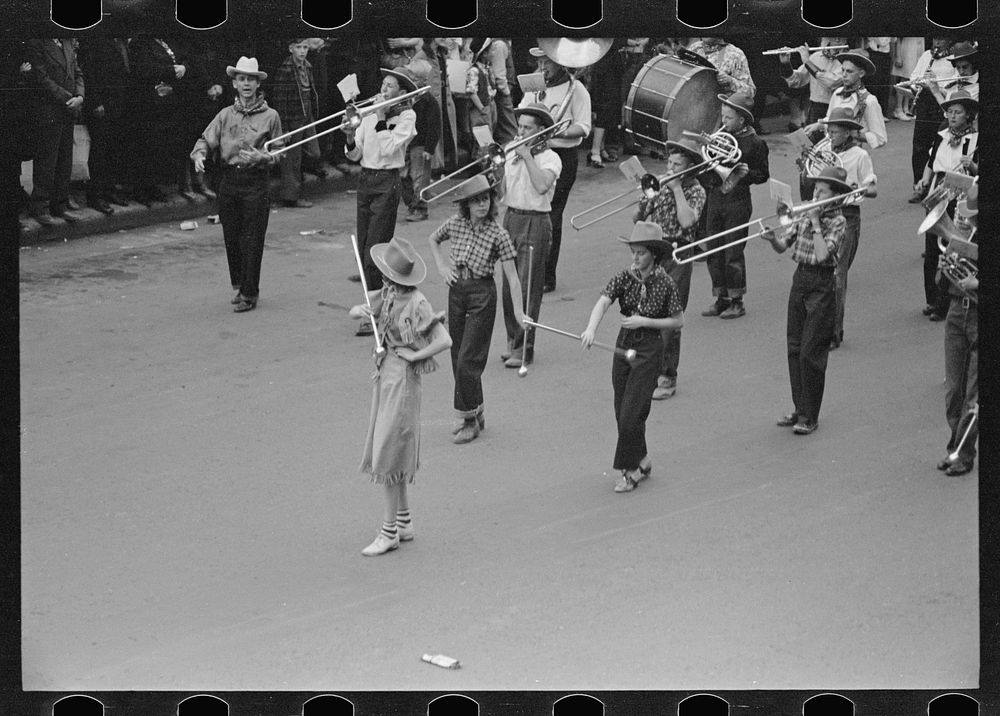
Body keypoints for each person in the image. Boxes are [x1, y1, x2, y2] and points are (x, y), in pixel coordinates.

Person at [348, 237, 453, 556]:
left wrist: (413, 357)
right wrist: (362, 310)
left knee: (388, 451)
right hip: (386, 377)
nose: (383, 279)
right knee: (392, 450)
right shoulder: (390, 293)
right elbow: (356, 310)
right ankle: (404, 521)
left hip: (403, 381)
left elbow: (444, 339)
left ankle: (389, 531)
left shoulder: (417, 301)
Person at [580, 221, 683, 493]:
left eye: (640, 253)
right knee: (622, 410)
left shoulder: (665, 282)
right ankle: (643, 458)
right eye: (633, 252)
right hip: (623, 345)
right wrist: (591, 329)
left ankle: (630, 471)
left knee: (631, 413)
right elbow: (603, 301)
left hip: (649, 349)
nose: (635, 258)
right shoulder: (626, 276)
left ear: (653, 254)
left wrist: (645, 321)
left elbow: (677, 321)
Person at [426, 174, 525, 444]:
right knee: (458, 354)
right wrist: (442, 268)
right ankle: (476, 409)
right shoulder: (456, 224)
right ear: (466, 205)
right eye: (476, 201)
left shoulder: (498, 234)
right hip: (457, 289)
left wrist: (518, 313)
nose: (482, 205)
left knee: (469, 358)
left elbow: (512, 277)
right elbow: (433, 239)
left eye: (486, 199)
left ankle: (469, 421)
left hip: (482, 293)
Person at [191, 56, 282, 313]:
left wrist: (263, 157)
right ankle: (241, 285)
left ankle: (250, 293)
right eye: (242, 79)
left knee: (252, 238)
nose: (246, 84)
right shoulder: (224, 115)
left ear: (257, 84)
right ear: (234, 83)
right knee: (232, 235)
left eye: (251, 79)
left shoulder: (271, 116)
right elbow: (206, 139)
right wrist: (199, 154)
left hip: (255, 181)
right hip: (229, 180)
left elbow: (280, 151)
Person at [763, 166, 849, 436]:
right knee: (794, 347)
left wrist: (814, 223)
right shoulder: (803, 217)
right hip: (800, 279)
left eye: (822, 192)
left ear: (835, 197)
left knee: (811, 352)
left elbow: (824, 256)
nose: (815, 195)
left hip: (822, 284)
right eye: (815, 190)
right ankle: (799, 407)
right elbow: (783, 246)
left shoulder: (838, 222)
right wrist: (771, 239)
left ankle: (810, 416)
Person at [344, 66, 420, 336]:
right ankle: (377, 305)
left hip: (388, 182)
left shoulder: (407, 117)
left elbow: (389, 148)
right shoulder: (369, 113)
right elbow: (357, 155)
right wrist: (349, 138)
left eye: (389, 87)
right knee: (364, 246)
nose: (383, 90)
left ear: (401, 93)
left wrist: (379, 118)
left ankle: (374, 313)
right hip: (366, 180)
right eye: (383, 85)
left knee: (374, 251)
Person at [634, 136, 706, 399]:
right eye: (670, 163)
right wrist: (645, 197)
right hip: (654, 249)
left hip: (677, 253)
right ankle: (648, 370)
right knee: (646, 312)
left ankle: (667, 375)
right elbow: (637, 218)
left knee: (669, 319)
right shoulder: (661, 186)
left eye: (677, 165)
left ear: (690, 168)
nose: (671, 169)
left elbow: (687, 222)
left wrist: (676, 189)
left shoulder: (696, 190)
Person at [519, 44, 593, 293]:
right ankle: (530, 270)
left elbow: (583, 127)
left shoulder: (577, 89)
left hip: (562, 155)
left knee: (551, 216)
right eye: (539, 64)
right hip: (537, 154)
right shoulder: (535, 86)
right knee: (532, 212)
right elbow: (522, 113)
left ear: (559, 63)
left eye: (546, 63)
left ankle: (547, 275)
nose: (542, 69)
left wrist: (554, 132)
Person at [498, 102, 562, 369]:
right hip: (511, 217)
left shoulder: (550, 158)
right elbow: (502, 190)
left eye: (527, 128)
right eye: (520, 127)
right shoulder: (512, 151)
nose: (520, 133)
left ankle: (525, 348)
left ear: (541, 132)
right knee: (507, 286)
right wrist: (498, 165)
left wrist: (526, 157)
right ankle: (513, 341)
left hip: (536, 221)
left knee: (527, 287)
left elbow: (541, 186)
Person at [700, 92, 769, 320]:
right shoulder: (720, 136)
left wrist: (743, 174)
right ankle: (721, 297)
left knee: (733, 252)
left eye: (728, 118)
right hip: (715, 197)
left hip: (738, 201)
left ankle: (737, 301)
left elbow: (762, 175)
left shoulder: (755, 143)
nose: (724, 122)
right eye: (723, 117)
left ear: (741, 119)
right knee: (714, 248)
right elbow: (708, 167)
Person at [814, 107, 877, 348]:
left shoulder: (860, 155)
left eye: (835, 131)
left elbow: (872, 189)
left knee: (837, 276)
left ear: (849, 132)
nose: (830, 135)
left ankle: (833, 332)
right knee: (821, 272)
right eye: (828, 130)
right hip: (822, 213)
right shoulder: (823, 149)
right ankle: (817, 326)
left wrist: (852, 189)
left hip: (848, 215)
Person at [915, 89, 978, 322]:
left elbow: (979, 175)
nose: (952, 116)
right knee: (932, 248)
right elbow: (931, 164)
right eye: (949, 112)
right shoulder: (941, 136)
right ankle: (931, 299)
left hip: (960, 194)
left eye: (957, 112)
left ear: (968, 116)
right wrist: (923, 179)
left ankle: (944, 303)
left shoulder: (977, 139)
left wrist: (972, 166)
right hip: (939, 191)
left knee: (953, 249)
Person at [936, 185, 978, 477]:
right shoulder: (961, 240)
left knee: (974, 394)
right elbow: (941, 284)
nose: (969, 222)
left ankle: (964, 453)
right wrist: (944, 269)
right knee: (954, 390)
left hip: (979, 315)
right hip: (955, 311)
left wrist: (979, 283)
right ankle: (955, 445)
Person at [25, 38, 85, 226]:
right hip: (50, 110)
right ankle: (40, 206)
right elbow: (41, 78)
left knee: (64, 159)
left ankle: (59, 204)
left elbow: (77, 72)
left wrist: (80, 96)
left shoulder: (66, 42)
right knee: (47, 160)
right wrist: (69, 98)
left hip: (68, 110)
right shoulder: (38, 43)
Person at [804, 49, 886, 152]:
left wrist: (854, 134)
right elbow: (831, 119)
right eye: (843, 70)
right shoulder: (837, 93)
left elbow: (880, 138)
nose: (844, 75)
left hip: (853, 155)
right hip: (831, 152)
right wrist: (819, 125)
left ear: (861, 73)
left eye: (849, 71)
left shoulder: (869, 101)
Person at [271, 38, 321, 209]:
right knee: (292, 158)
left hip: (307, 114)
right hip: (292, 117)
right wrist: (284, 127)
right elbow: (280, 99)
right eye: (298, 47)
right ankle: (290, 196)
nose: (302, 51)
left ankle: (296, 182)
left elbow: (311, 91)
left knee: (314, 152)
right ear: (291, 48)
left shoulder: (307, 66)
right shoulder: (285, 69)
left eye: (305, 47)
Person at [906, 38, 954, 200]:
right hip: (925, 103)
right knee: (919, 145)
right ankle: (919, 186)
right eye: (935, 39)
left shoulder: (952, 60)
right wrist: (918, 84)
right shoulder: (927, 55)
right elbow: (914, 76)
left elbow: (952, 88)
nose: (937, 43)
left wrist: (935, 85)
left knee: (938, 146)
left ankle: (935, 187)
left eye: (941, 39)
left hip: (942, 103)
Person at [400, 63, 440, 223]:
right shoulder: (410, 98)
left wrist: (429, 149)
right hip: (408, 143)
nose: (411, 80)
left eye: (414, 77)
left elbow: (434, 127)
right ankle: (411, 205)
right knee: (404, 176)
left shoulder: (428, 101)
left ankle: (420, 208)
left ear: (422, 80)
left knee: (419, 178)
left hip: (420, 145)